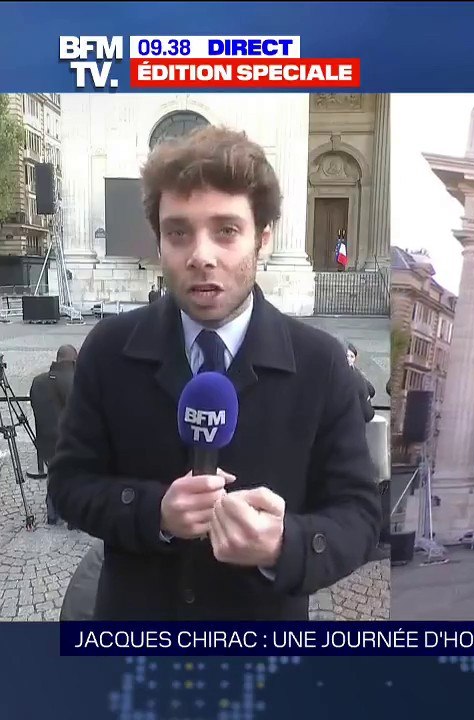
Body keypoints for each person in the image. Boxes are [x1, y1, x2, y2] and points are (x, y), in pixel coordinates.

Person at [47, 126, 380, 621]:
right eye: (178, 232)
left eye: (226, 230)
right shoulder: (109, 349)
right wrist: (152, 511)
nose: (201, 255)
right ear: (159, 239)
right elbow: (69, 484)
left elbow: (360, 515)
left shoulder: (321, 363)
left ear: (262, 238)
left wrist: (284, 545)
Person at [29, 344, 78, 525]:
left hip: (46, 443)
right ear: (73, 359)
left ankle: (52, 513)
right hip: (71, 443)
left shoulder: (38, 381)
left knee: (55, 472)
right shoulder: (76, 381)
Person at [346, 342, 376, 423]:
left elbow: (372, 391)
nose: (348, 359)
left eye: (351, 356)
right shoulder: (358, 373)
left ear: (355, 359)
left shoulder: (358, 375)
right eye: (347, 356)